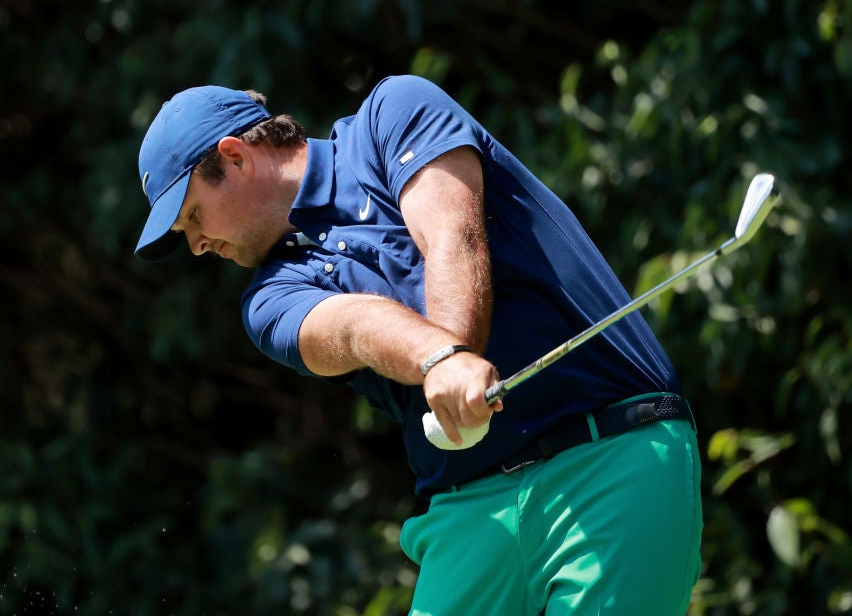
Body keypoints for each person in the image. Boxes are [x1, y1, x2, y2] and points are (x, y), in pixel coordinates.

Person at [134, 75, 703, 614]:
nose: (199, 245)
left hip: (611, 455)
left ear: (234, 157)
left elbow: (452, 235)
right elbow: (354, 325)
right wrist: (441, 359)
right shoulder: (266, 300)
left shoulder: (393, 114)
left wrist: (451, 354)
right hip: (467, 511)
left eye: (192, 217)